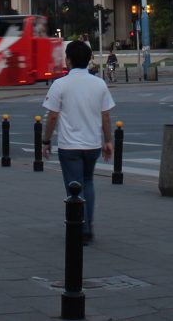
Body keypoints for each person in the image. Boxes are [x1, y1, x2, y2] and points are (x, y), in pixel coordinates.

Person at [41, 40, 115, 244]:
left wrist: (46, 141)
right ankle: (88, 224)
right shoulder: (99, 84)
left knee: (73, 187)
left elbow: (53, 116)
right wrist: (108, 141)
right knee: (88, 182)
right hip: (92, 144)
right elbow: (106, 115)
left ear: (69, 60)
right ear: (89, 60)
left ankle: (79, 227)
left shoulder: (60, 84)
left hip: (69, 146)